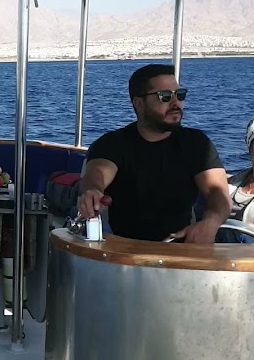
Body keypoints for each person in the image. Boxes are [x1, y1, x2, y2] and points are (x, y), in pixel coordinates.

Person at [77, 64, 231, 243]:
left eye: (179, 95)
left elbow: (217, 192)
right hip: (125, 249)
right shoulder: (112, 144)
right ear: (139, 104)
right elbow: (98, 172)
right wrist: (93, 191)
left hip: (181, 247)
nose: (175, 103)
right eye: (165, 96)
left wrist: (211, 222)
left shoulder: (196, 143)